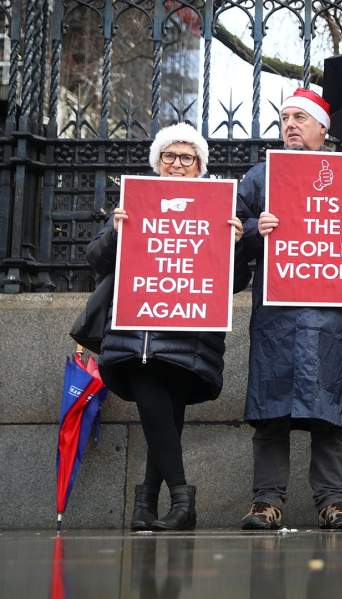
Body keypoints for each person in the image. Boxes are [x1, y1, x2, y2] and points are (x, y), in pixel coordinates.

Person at [236, 88, 342, 530]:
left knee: (329, 408)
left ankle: (334, 501)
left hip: (331, 313)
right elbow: (224, 228)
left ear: (323, 128)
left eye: (300, 117)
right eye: (285, 118)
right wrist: (250, 228)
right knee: (271, 409)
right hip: (278, 314)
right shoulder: (260, 177)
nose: (290, 125)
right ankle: (266, 501)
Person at [86, 122, 245, 530]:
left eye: (186, 158)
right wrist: (117, 233)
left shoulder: (219, 208)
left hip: (189, 331)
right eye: (169, 156)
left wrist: (236, 246)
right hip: (135, 332)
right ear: (157, 162)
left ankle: (145, 504)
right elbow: (97, 260)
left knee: (166, 413)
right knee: (154, 401)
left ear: (199, 166)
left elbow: (235, 282)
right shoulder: (133, 202)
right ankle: (181, 496)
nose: (177, 164)